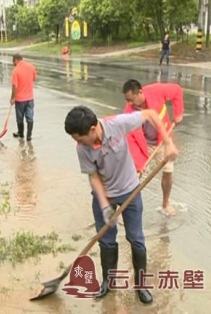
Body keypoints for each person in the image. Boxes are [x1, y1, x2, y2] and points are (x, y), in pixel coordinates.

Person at [64, 106, 178, 304]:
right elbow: (94, 176)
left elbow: (150, 114)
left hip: (130, 192)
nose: (78, 142)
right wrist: (105, 205)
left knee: (136, 239)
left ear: (92, 129)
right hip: (104, 196)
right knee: (106, 241)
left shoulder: (117, 125)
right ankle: (109, 281)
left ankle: (141, 285)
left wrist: (168, 144)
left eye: (79, 138)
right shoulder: (82, 148)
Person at [122, 79, 184, 216]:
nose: (130, 104)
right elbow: (130, 139)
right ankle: (126, 208)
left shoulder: (155, 91)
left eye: (132, 100)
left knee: (168, 171)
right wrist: (139, 164)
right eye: (127, 100)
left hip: (163, 140)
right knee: (133, 175)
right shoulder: (129, 112)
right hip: (142, 144)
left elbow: (177, 91)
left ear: (140, 92)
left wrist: (178, 113)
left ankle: (165, 204)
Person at [10, 54, 37, 142]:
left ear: (16, 60)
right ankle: (29, 136)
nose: (13, 64)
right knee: (30, 117)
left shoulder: (16, 70)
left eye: (13, 62)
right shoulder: (31, 67)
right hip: (30, 98)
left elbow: (14, 86)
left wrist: (12, 98)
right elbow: (34, 79)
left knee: (20, 117)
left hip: (20, 99)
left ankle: (21, 134)